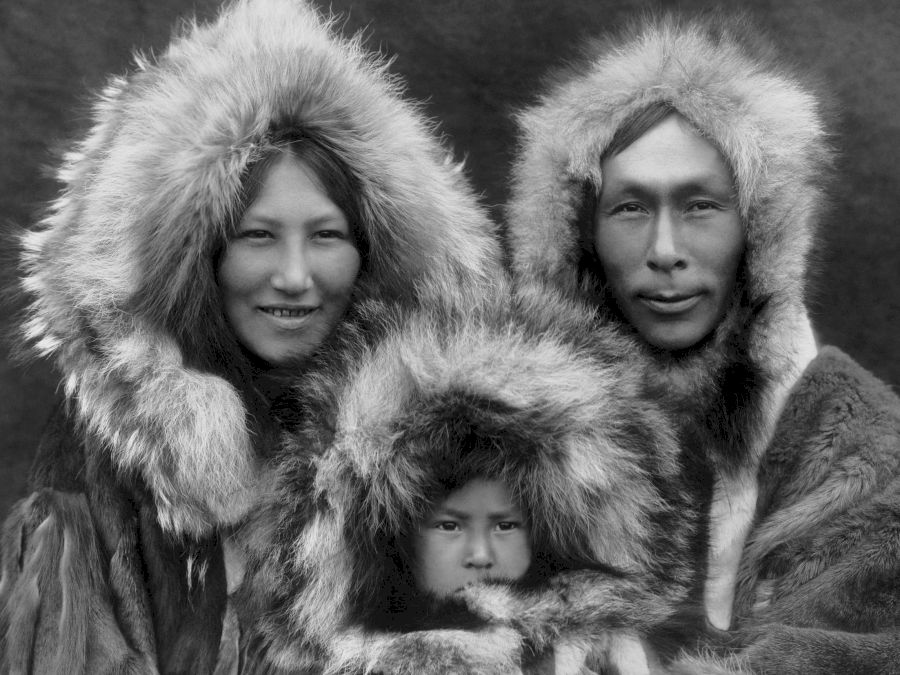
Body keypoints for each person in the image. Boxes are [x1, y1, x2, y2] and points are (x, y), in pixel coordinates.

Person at [0, 0, 500, 671]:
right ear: (204, 256)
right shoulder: (94, 496)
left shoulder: (454, 473)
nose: (294, 277)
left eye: (326, 236)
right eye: (258, 236)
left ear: (372, 255)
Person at [504, 11, 900, 674]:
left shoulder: (868, 448)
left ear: (758, 230)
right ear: (582, 235)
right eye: (630, 207)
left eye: (699, 206)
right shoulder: (500, 437)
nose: (665, 252)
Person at [235, 292, 697, 673]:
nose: (480, 554)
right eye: (451, 527)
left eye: (504, 526)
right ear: (394, 546)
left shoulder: (598, 658)